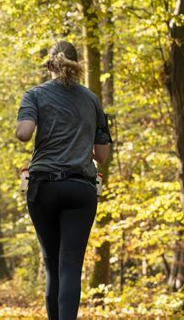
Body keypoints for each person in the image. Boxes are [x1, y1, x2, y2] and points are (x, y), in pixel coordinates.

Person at [16, 40, 112, 320]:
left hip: (44, 186)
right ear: (77, 65)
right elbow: (102, 154)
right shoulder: (92, 100)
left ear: (49, 65)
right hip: (80, 188)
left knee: (52, 264)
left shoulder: (34, 95)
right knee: (70, 265)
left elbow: (24, 133)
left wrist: (30, 124)